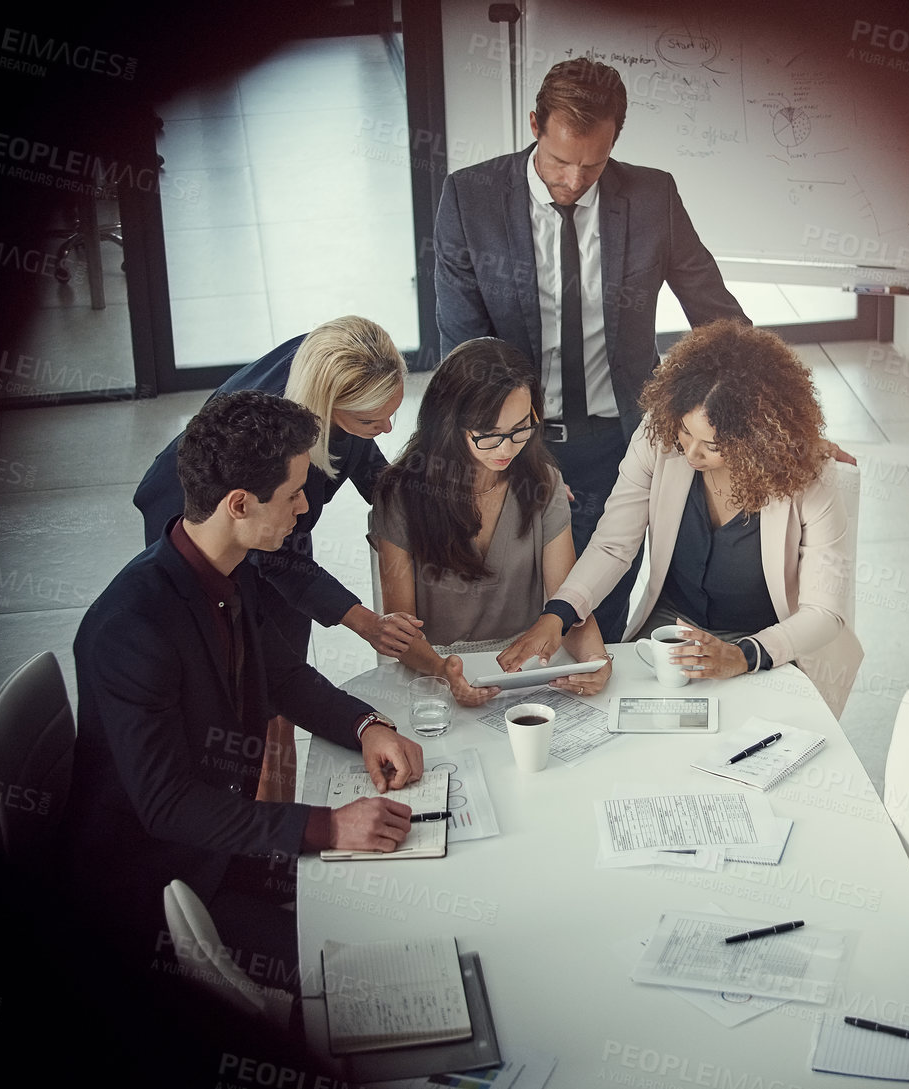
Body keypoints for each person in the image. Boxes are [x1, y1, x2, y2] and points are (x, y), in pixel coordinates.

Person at [66, 390, 425, 998]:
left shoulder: (230, 569)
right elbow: (169, 806)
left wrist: (368, 726)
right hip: (165, 883)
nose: (304, 505)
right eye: (292, 494)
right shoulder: (134, 631)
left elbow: (283, 677)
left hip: (227, 846)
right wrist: (328, 828)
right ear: (239, 503)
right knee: (360, 977)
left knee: (395, 909)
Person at [433, 57, 751, 643]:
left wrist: (773, 406)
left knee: (601, 610)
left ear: (615, 141)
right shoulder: (469, 198)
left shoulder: (652, 194)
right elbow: (465, 352)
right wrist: (521, 455)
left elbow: (714, 309)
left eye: (594, 164)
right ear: (535, 125)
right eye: (559, 161)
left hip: (621, 439)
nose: (575, 180)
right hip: (514, 444)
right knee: (524, 613)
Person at [498, 321, 864, 718]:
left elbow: (824, 612)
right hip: (671, 627)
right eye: (685, 432)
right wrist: (559, 613)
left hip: (770, 641)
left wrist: (744, 655)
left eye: (712, 445)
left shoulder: (810, 481)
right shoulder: (658, 439)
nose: (690, 453)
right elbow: (613, 545)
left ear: (759, 441)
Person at [134, 315, 425, 663]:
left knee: (288, 645)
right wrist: (366, 623)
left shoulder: (340, 361)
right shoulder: (270, 440)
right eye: (371, 421)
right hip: (198, 517)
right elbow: (279, 558)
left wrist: (411, 503)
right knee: (242, 657)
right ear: (326, 405)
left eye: (390, 412)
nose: (387, 428)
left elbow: (358, 440)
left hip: (270, 509)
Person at [371, 338, 611, 706]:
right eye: (489, 435)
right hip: (432, 671)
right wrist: (445, 672)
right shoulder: (401, 492)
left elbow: (567, 602)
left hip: (522, 666)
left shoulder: (543, 483)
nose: (506, 449)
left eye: (520, 429)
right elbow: (402, 634)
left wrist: (597, 660)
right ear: (449, 423)